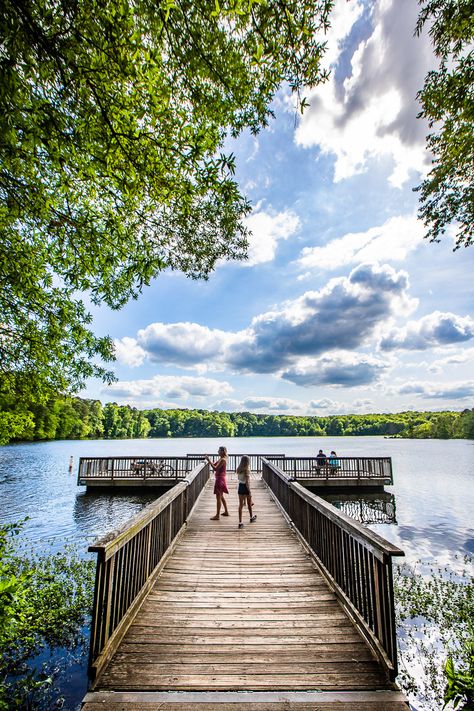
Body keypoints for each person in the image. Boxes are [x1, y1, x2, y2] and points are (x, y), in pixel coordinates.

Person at [206, 447, 230, 520]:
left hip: (220, 479)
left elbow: (215, 468)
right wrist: (209, 460)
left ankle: (217, 515)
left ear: (222, 451)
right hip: (221, 478)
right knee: (221, 496)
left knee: (218, 497)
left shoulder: (223, 460)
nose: (217, 452)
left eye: (219, 451)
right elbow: (214, 465)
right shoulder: (221, 458)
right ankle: (226, 512)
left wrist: (208, 460)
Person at [236, 455, 257, 529]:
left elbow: (240, 479)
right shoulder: (247, 470)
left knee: (240, 505)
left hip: (240, 487)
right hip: (245, 487)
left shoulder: (238, 469)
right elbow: (247, 483)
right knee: (249, 504)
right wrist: (249, 491)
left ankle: (240, 522)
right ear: (247, 462)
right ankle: (251, 517)